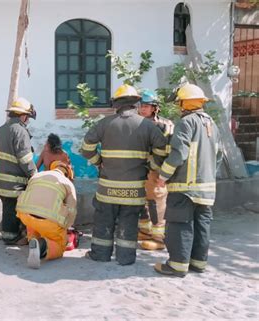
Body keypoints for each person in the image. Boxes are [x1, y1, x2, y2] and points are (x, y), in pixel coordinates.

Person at [81, 84, 167, 265]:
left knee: (104, 220)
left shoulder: (104, 123)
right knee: (129, 222)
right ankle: (125, 258)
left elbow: (86, 148)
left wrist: (99, 162)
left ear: (116, 104)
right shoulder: (147, 126)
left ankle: (100, 255)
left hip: (107, 189)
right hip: (134, 190)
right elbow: (162, 149)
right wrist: (151, 165)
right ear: (135, 103)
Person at [154, 83, 223, 278]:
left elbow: (178, 154)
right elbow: (218, 156)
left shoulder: (186, 122)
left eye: (179, 103)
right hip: (207, 189)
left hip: (185, 189)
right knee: (202, 226)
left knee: (179, 224)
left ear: (185, 103)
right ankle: (198, 263)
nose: (178, 107)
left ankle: (177, 265)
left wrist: (163, 176)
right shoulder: (212, 123)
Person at [0, 97, 37, 245]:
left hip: (0, 182)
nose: (28, 121)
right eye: (28, 118)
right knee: (14, 211)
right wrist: (34, 175)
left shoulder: (1, 129)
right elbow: (25, 158)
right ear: (23, 115)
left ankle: (8, 234)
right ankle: (11, 237)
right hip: (14, 184)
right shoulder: (20, 131)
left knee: (8, 209)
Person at [16, 161, 77, 269]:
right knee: (59, 244)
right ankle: (41, 246)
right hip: (48, 221)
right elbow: (71, 211)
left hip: (25, 216)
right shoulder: (68, 184)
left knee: (34, 221)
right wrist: (66, 227)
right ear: (68, 174)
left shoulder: (37, 176)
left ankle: (33, 239)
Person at [137, 89, 175, 251]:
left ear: (155, 108)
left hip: (156, 170)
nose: (143, 109)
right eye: (141, 106)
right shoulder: (136, 123)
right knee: (142, 201)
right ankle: (145, 231)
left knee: (156, 201)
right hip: (139, 169)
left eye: (147, 106)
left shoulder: (166, 124)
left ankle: (159, 237)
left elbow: (168, 145)